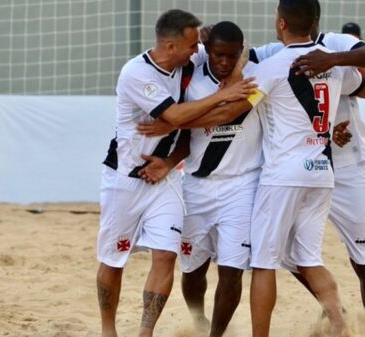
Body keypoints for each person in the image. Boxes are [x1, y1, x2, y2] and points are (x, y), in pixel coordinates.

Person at [95, 9, 255, 337]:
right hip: (125, 177)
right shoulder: (136, 73)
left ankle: (145, 332)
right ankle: (108, 330)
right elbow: (177, 116)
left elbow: (238, 47)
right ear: (170, 47)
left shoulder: (188, 59)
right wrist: (225, 94)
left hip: (165, 177)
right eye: (192, 44)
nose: (198, 50)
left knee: (166, 255)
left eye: (199, 43)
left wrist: (216, 40)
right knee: (114, 259)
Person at [247, 2, 365, 335]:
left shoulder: (337, 45)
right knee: (294, 255)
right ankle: (336, 311)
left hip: (347, 165)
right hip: (318, 164)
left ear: (281, 20)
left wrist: (333, 62)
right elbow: (239, 54)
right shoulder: (274, 51)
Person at [139, 21, 260, 337]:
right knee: (192, 269)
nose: (224, 62)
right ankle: (198, 318)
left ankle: (216, 335)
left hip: (242, 185)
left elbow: (227, 114)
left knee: (233, 271)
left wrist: (181, 121)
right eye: (218, 55)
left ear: (240, 53)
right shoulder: (191, 78)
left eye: (231, 56)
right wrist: (168, 162)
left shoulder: (255, 77)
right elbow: (185, 139)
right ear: (208, 53)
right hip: (195, 186)